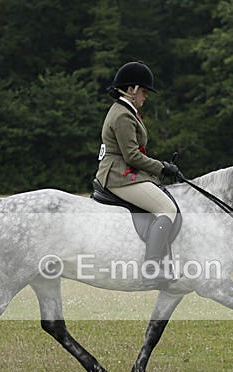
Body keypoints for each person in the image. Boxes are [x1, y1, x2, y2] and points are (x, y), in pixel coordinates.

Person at [96, 61, 179, 284]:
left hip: (125, 172)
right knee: (167, 209)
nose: (146, 96)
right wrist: (161, 167)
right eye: (143, 91)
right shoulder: (123, 115)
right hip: (118, 175)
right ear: (131, 89)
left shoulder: (126, 111)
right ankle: (151, 268)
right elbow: (131, 155)